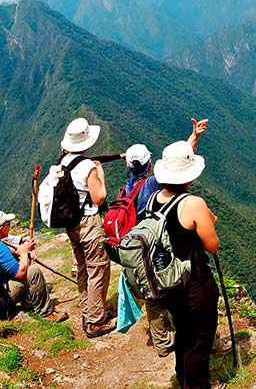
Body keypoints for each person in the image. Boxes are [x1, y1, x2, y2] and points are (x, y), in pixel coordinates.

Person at [122, 118, 208, 357]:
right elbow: (177, 170)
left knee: (152, 296)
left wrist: (194, 138)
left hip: (138, 247)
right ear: (150, 165)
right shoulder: (151, 185)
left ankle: (162, 342)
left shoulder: (129, 187)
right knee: (168, 292)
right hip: (157, 248)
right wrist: (193, 140)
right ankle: (187, 337)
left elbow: (174, 165)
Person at [151, 140, 220, 389]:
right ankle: (197, 385)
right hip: (195, 284)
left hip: (168, 284)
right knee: (200, 339)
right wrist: (211, 222)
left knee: (184, 333)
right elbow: (212, 246)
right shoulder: (192, 203)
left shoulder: (153, 200)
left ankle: (183, 379)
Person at [59, 117, 114, 338]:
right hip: (89, 223)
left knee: (83, 267)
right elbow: (99, 198)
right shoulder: (88, 167)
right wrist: (100, 173)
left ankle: (88, 311)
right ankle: (96, 321)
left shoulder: (62, 163)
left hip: (71, 224)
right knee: (98, 269)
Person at [0, 209, 68, 322]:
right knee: (33, 272)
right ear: (1, 228)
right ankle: (46, 313)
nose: (10, 227)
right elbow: (20, 274)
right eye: (8, 224)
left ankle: (27, 301)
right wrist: (24, 253)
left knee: (16, 261)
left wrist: (19, 252)